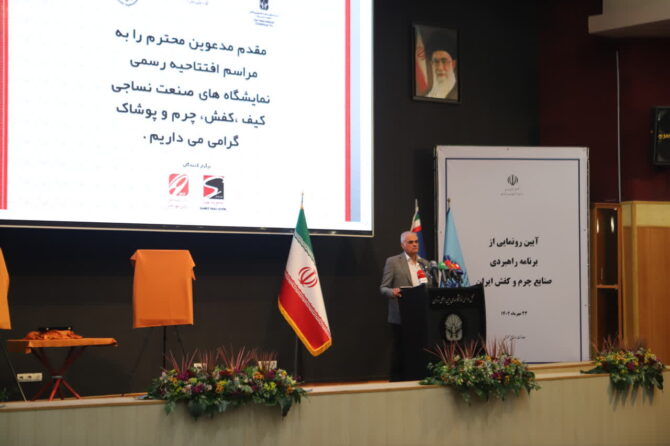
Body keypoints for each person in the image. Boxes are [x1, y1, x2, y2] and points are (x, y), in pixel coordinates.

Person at [379, 231, 431, 381]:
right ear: (403, 245)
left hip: (420, 314)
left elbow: (429, 287)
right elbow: (383, 288)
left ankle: (418, 377)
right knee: (400, 349)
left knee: (420, 349)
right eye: (410, 242)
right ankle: (396, 381)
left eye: (416, 242)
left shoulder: (425, 264)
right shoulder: (393, 262)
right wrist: (392, 292)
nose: (415, 244)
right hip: (401, 314)